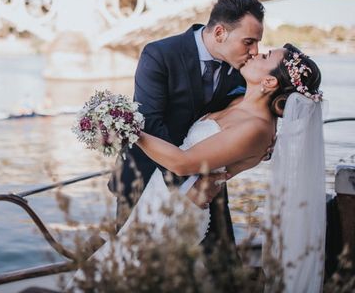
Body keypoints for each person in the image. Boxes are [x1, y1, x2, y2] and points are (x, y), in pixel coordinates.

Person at [77, 44, 324, 292]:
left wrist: (128, 128)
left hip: (179, 209)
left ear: (269, 82)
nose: (256, 52)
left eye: (266, 56)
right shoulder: (240, 99)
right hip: (160, 193)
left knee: (124, 276)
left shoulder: (257, 128)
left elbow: (183, 164)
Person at [110, 0, 266, 253]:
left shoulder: (243, 70)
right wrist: (192, 185)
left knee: (222, 266)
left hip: (209, 191)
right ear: (219, 33)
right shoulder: (159, 54)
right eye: (248, 42)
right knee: (137, 270)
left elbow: (248, 117)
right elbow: (149, 124)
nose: (255, 52)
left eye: (257, 43)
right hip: (145, 182)